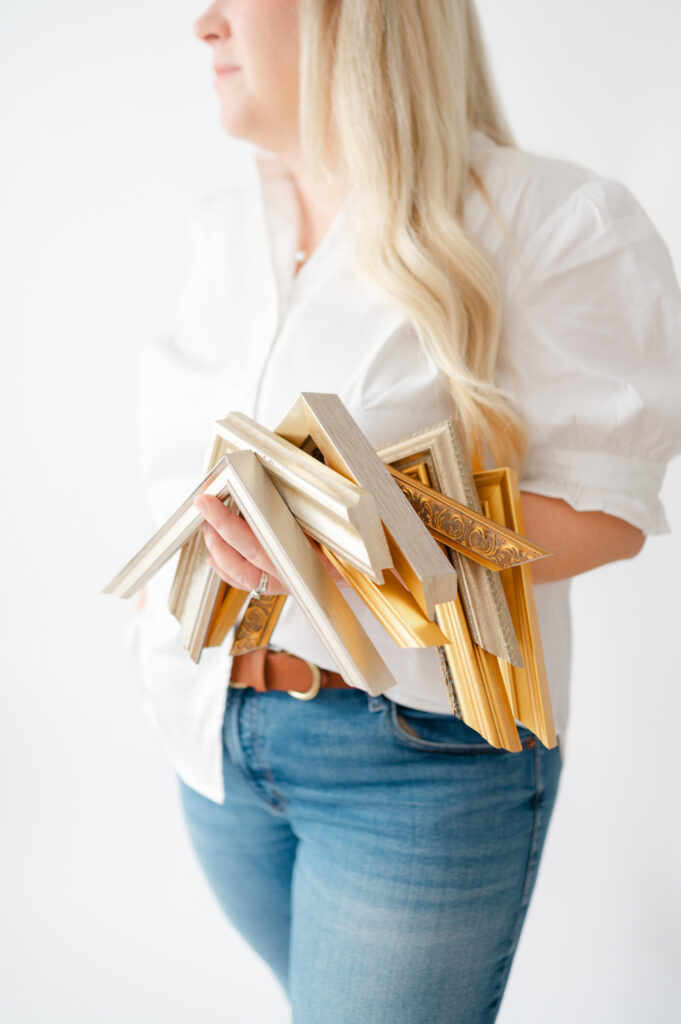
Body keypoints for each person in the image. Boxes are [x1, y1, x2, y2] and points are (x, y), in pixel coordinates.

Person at [124, 1, 681, 1021]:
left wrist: (358, 547)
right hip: (216, 738)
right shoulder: (226, 229)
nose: (203, 24)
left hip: (411, 759)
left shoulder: (551, 220)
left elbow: (608, 512)